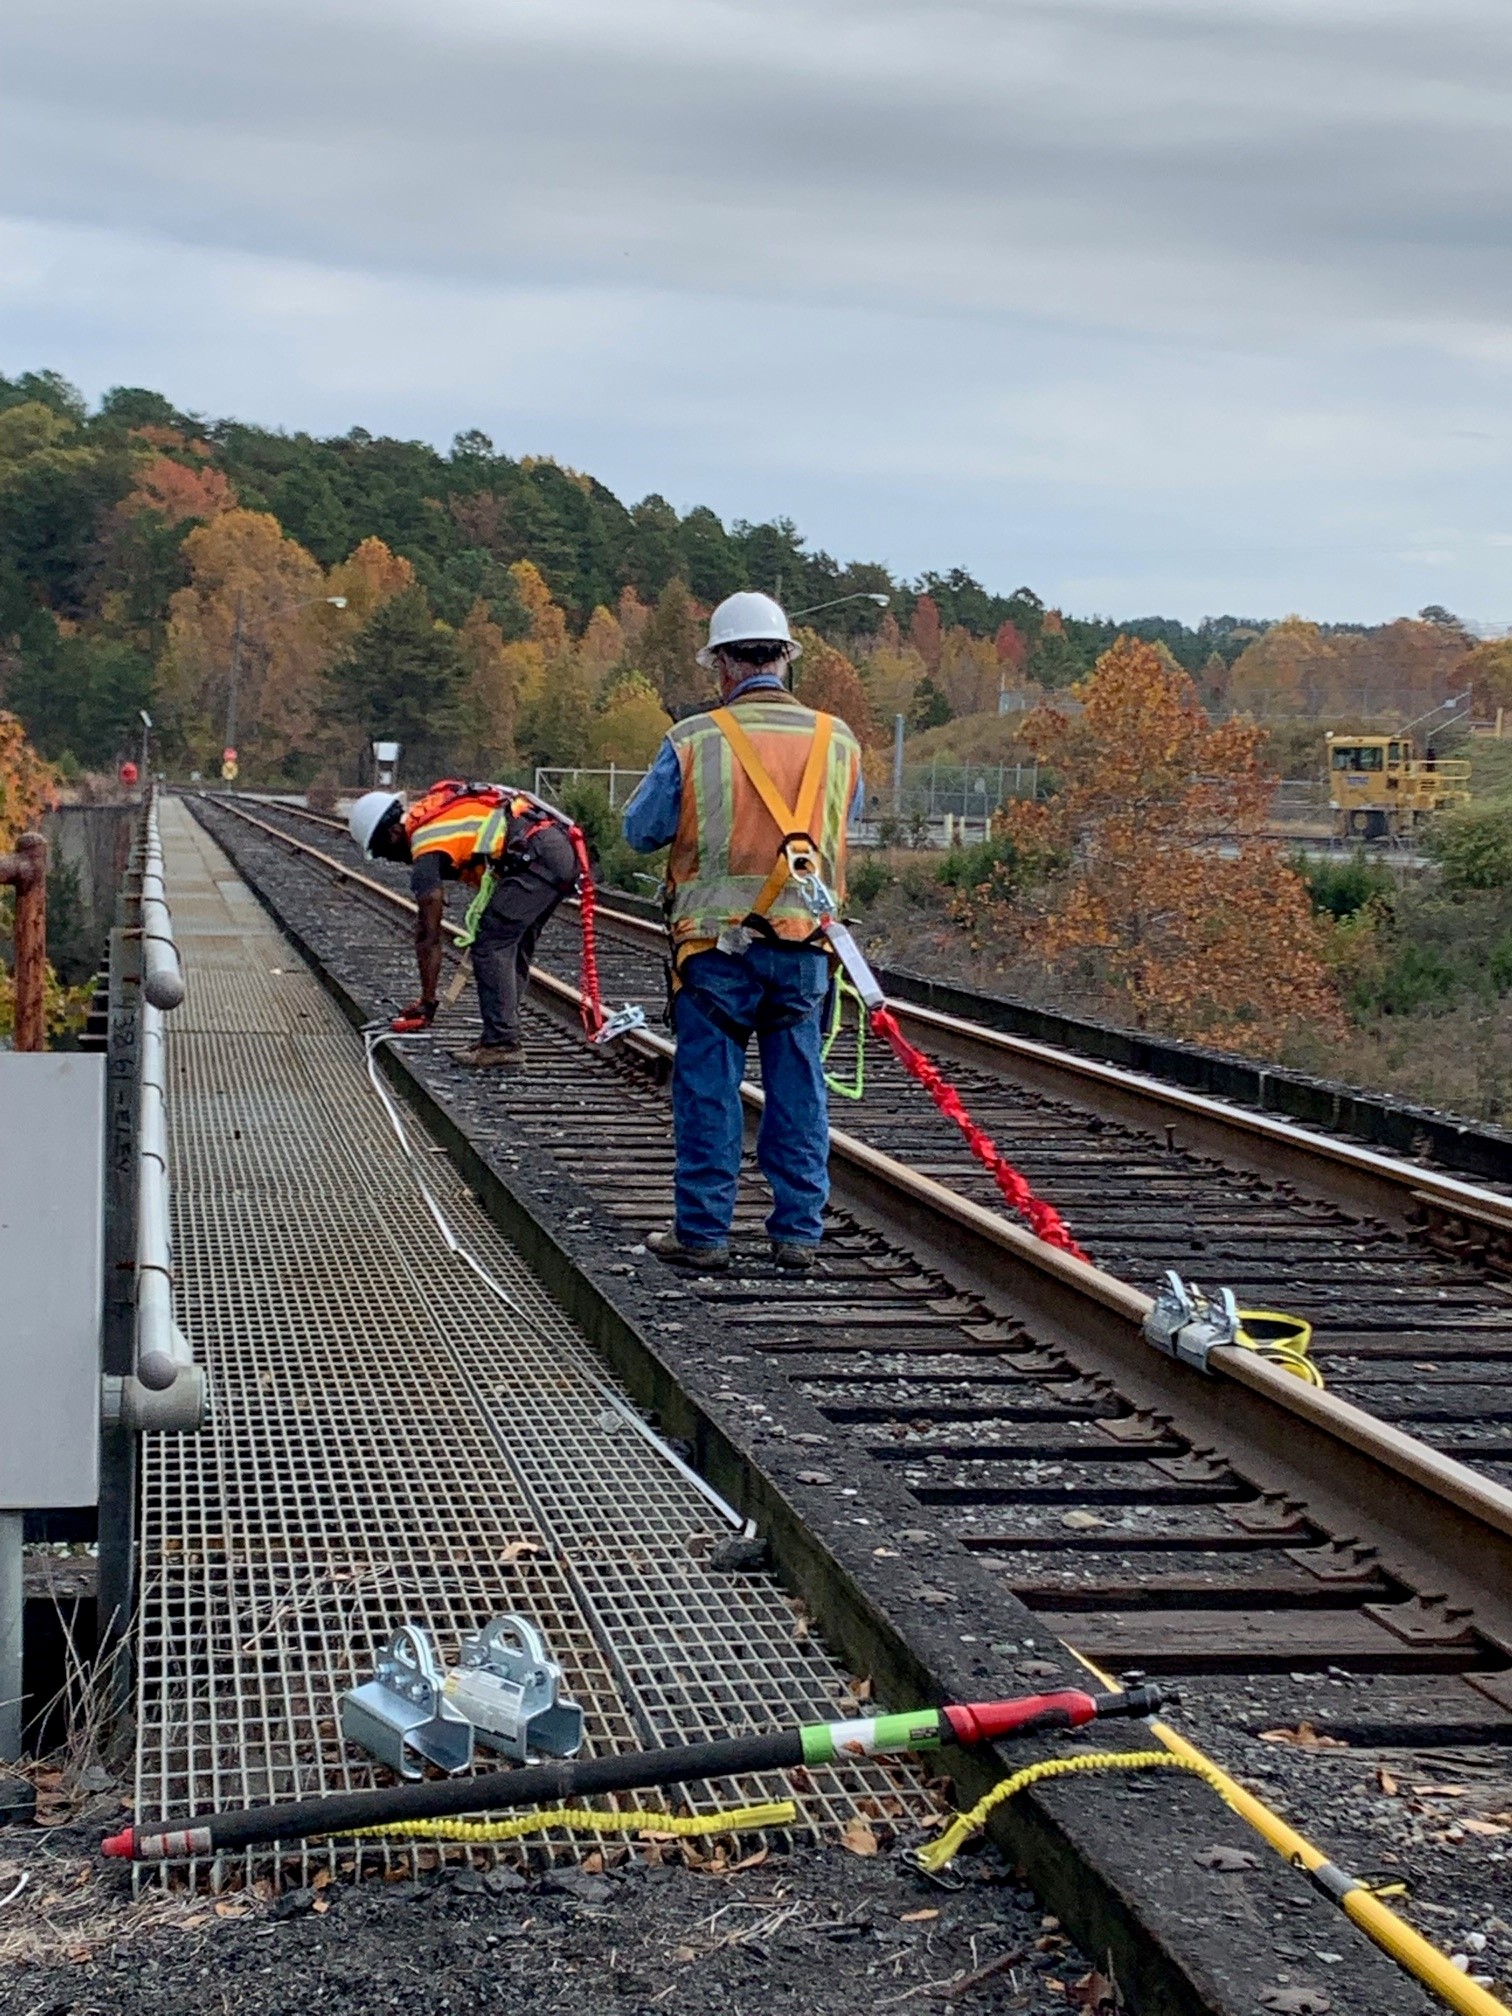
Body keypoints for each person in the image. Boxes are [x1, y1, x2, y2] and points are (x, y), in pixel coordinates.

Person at [621, 592, 862, 1273]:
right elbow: (846, 818)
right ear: (786, 658)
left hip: (715, 952)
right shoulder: (838, 740)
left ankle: (702, 1233)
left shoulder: (694, 740)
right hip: (804, 947)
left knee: (707, 1087)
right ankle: (798, 1233)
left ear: (721, 664)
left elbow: (640, 831)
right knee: (800, 1089)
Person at [348, 780, 580, 1068]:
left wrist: (428, 1001)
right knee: (511, 943)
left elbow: (428, 935)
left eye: (384, 853)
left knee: (491, 943)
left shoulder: (425, 844)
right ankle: (500, 1032)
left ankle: (502, 1043)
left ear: (393, 834)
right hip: (551, 849)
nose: (393, 861)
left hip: (536, 855)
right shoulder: (433, 814)